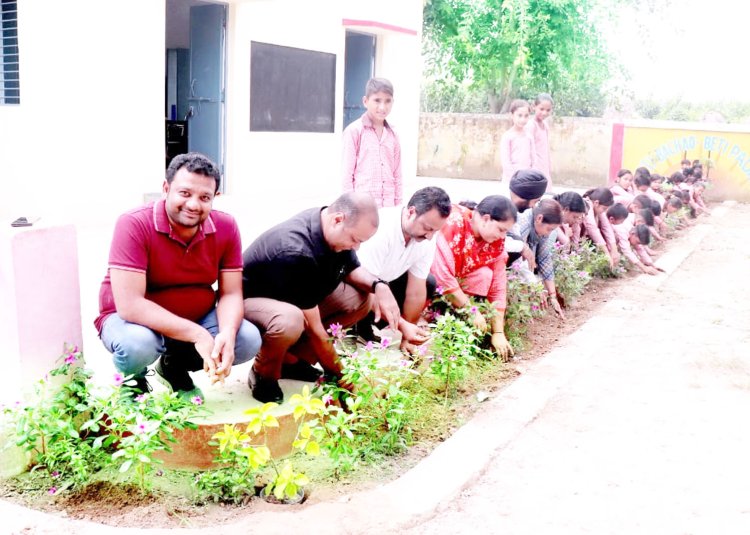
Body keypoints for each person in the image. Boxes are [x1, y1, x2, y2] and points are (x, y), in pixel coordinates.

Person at [95, 152, 262, 400]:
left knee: (246, 339)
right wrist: (198, 334)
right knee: (137, 346)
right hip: (131, 321)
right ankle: (134, 379)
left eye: (205, 197)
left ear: (215, 197)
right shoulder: (134, 223)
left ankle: (173, 366)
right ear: (166, 188)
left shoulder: (226, 227)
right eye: (185, 193)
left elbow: (231, 292)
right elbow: (130, 306)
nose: (194, 204)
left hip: (196, 314)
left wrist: (226, 332)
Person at [242, 192, 401, 403]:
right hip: (248, 302)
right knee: (290, 321)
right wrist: (340, 374)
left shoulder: (329, 226)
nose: (356, 247)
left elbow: (352, 268)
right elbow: (316, 330)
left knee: (362, 299)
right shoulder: (296, 251)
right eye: (355, 239)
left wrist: (380, 286)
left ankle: (291, 361)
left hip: (289, 294)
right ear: (338, 219)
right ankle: (263, 373)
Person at [355, 187, 452, 351]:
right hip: (359, 287)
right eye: (427, 228)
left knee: (428, 282)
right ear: (411, 212)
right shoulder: (381, 229)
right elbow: (364, 284)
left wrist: (409, 334)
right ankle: (354, 326)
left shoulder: (427, 238)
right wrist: (402, 325)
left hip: (384, 285)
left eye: (435, 231)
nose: (429, 236)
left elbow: (416, 291)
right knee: (360, 294)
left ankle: (369, 326)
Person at [431, 195, 518, 360]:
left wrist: (498, 332)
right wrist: (472, 311)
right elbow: (441, 275)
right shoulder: (453, 223)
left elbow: (498, 285)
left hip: (457, 292)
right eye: (501, 229)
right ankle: (435, 323)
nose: (502, 236)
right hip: (428, 285)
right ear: (486, 219)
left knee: (485, 275)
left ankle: (461, 327)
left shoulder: (494, 241)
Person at [342, 77, 402, 207]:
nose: (382, 107)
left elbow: (397, 174)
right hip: (363, 207)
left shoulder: (393, 134)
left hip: (388, 206)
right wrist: (350, 207)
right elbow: (347, 175)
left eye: (387, 101)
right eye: (377, 100)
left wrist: (398, 206)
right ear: (365, 101)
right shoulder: (354, 131)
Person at [507, 198, 565, 318]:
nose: (549, 233)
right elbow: (518, 262)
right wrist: (536, 287)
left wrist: (552, 296)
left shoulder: (540, 228)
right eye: (549, 229)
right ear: (539, 218)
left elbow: (544, 258)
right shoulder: (522, 223)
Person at [504, 169, 548, 266]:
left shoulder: (513, 209)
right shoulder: (498, 205)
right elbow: (492, 242)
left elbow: (518, 241)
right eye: (536, 201)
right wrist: (522, 247)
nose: (533, 206)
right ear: (527, 196)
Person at [577, 187, 619, 269]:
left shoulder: (597, 207)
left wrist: (614, 250)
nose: (604, 211)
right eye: (604, 208)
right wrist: (607, 254)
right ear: (596, 203)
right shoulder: (587, 204)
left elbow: (606, 227)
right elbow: (592, 228)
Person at [500, 99, 535, 182]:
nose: (523, 119)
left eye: (526, 116)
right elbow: (506, 162)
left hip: (527, 178)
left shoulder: (529, 136)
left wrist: (531, 175)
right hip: (511, 180)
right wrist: (515, 178)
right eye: (519, 115)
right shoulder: (507, 136)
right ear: (512, 115)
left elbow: (533, 158)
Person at [525, 93, 554, 189]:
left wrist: (549, 165)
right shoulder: (531, 125)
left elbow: (545, 148)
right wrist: (531, 167)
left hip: (544, 165)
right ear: (534, 107)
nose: (544, 113)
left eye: (548, 110)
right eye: (541, 109)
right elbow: (528, 148)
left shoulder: (545, 125)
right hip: (535, 166)